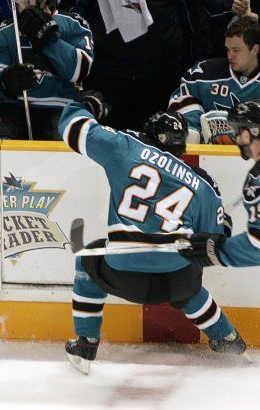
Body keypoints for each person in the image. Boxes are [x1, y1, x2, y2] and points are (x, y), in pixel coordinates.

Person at [58, 93, 246, 374]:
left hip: (123, 276)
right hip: (177, 282)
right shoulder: (203, 183)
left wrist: (86, 105)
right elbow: (215, 243)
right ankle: (228, 339)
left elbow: (72, 128)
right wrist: (224, 224)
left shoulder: (126, 147)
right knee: (190, 277)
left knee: (87, 261)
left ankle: (86, 343)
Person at [59, 0, 212, 132]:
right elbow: (72, 16)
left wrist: (194, 67)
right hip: (106, 76)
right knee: (106, 144)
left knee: (161, 144)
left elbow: (195, 19)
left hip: (161, 75)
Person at [0, 0, 93, 140]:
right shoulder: (3, 31)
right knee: (0, 135)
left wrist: (46, 36)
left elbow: (79, 70)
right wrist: (5, 82)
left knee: (69, 140)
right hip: (13, 107)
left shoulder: (73, 22)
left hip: (61, 106)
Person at [178, 98, 260, 268]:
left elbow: (257, 245)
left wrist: (217, 250)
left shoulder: (254, 182)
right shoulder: (255, 177)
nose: (236, 139)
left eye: (237, 132)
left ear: (249, 133)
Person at [168, 16, 259, 143]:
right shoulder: (202, 74)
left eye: (236, 50)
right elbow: (182, 102)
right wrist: (192, 131)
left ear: (255, 49)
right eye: (228, 49)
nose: (230, 56)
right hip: (208, 156)